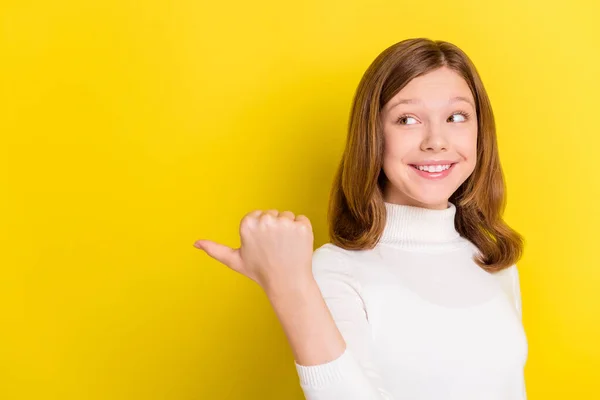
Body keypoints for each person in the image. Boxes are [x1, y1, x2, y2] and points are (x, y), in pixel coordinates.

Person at [193, 37, 528, 400]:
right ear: (374, 135)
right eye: (407, 119)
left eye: (456, 116)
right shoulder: (337, 270)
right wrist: (289, 286)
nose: (436, 141)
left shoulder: (494, 263)